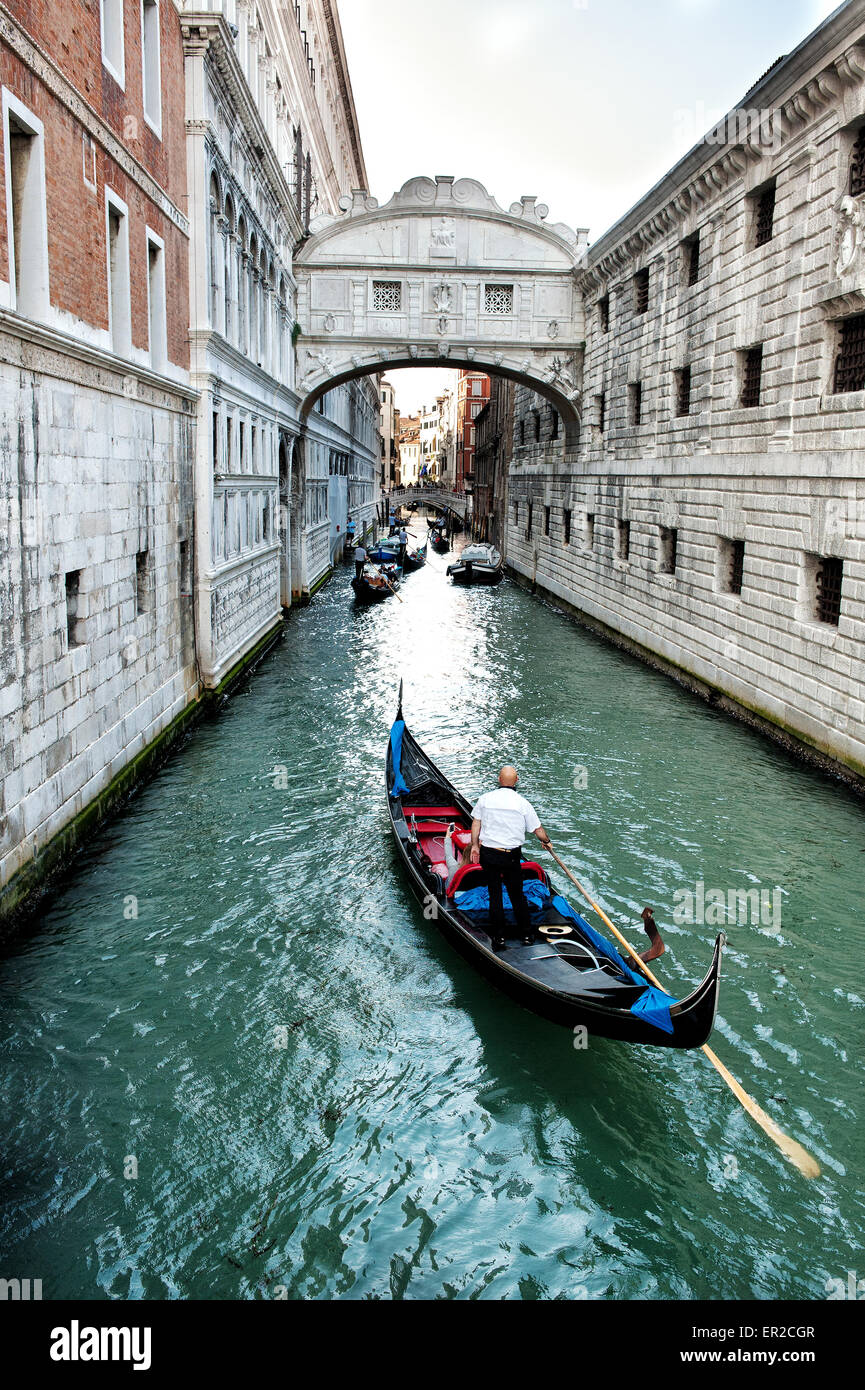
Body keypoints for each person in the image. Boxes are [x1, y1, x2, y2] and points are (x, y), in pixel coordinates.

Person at [470, 766, 553, 951]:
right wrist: (547, 841)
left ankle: (499, 938)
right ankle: (526, 935)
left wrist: (475, 846)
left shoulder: (486, 799)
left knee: (495, 895)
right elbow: (538, 830)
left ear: (499, 779)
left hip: (489, 854)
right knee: (517, 895)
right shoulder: (523, 803)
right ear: (516, 782)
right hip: (512, 857)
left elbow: (476, 823)